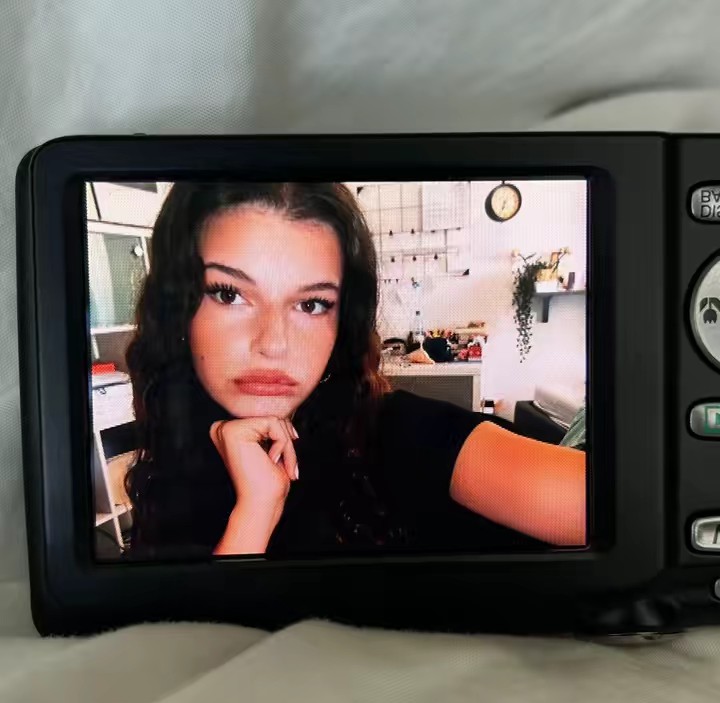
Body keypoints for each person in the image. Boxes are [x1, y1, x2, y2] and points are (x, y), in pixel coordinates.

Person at [123, 182, 586, 560]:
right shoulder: (170, 456)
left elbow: (618, 509)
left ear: (342, 321)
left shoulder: (400, 436)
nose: (274, 343)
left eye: (311, 304)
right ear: (177, 309)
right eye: (229, 294)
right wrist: (255, 514)